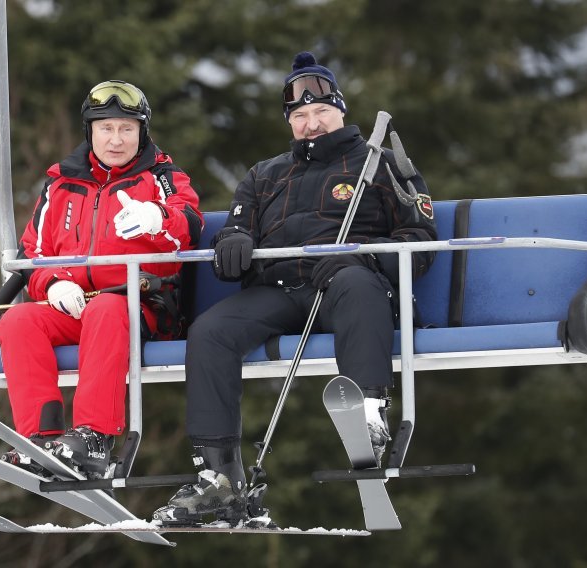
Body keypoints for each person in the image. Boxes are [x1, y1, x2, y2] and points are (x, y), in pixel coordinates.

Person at [154, 52, 437, 525]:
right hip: (281, 288)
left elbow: (422, 242)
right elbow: (234, 231)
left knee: (355, 287)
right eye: (300, 116)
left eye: (321, 112)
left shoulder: (380, 164)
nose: (311, 124)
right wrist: (234, 243)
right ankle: (217, 478)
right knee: (211, 332)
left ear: (341, 112)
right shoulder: (264, 175)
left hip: (350, 284)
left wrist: (362, 255)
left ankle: (367, 415)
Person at [0, 80, 203, 479]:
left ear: (142, 132)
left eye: (127, 129)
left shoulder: (160, 177)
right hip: (73, 304)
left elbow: (188, 228)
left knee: (107, 308)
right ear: (89, 131)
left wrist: (156, 218)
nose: (116, 139)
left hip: (139, 306)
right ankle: (41, 437)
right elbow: (33, 253)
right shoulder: (61, 184)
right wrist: (54, 283)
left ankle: (94, 437)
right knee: (18, 321)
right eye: (106, 128)